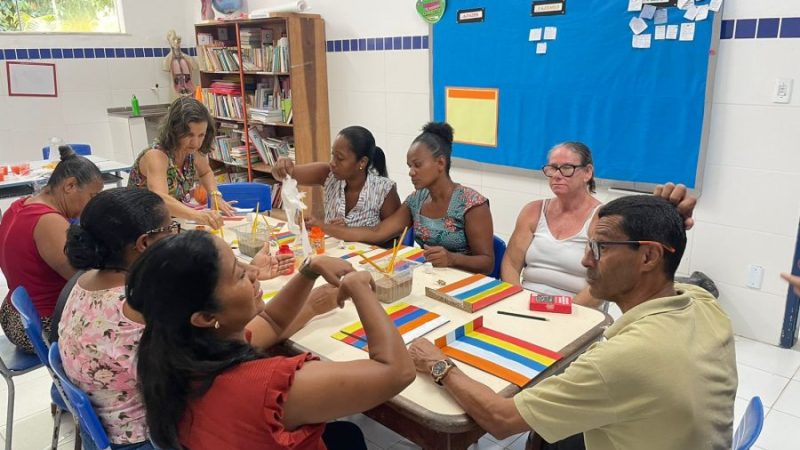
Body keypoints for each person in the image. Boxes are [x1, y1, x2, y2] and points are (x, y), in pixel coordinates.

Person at [409, 193, 737, 450]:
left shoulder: (621, 360)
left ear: (649, 257)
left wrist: (439, 364)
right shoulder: (702, 302)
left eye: (600, 247)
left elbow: (501, 418)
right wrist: (666, 220)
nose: (585, 260)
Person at [57, 188, 334, 449]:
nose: (178, 236)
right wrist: (310, 306)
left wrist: (238, 275)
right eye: (171, 229)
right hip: (152, 437)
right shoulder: (142, 309)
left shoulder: (85, 282)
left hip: (105, 426)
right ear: (145, 244)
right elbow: (248, 338)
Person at [129, 232, 416, 450]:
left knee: (346, 435)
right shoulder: (268, 387)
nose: (254, 273)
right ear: (204, 316)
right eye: (240, 274)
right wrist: (359, 287)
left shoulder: (178, 349)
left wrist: (310, 270)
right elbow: (396, 372)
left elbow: (272, 322)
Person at [313, 122, 495, 274]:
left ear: (440, 163)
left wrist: (452, 258)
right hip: (432, 278)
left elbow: (487, 263)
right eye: (409, 166)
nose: (411, 172)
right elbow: (377, 232)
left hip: (465, 283)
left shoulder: (471, 204)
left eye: (417, 165)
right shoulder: (416, 201)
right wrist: (323, 227)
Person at [0, 145, 103, 352]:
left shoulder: (20, 206)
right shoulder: (48, 222)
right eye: (92, 196)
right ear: (70, 186)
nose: (93, 204)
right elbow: (83, 281)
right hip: (39, 326)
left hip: (16, 314)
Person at [501, 142, 602, 306]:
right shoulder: (533, 211)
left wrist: (562, 310)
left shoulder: (601, 219)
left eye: (567, 168)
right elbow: (511, 264)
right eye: (553, 168)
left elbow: (603, 282)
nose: (557, 175)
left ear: (587, 172)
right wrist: (518, 301)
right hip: (526, 303)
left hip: (576, 309)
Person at [127, 96, 234, 229]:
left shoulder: (193, 151)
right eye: (189, 135)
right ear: (174, 131)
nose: (196, 143)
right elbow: (161, 199)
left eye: (201, 135)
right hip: (140, 225)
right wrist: (198, 216)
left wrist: (215, 195)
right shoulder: (156, 156)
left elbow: (205, 172)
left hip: (169, 220)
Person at [272, 126, 401, 234]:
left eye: (340, 158)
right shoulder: (328, 174)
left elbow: (391, 237)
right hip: (332, 254)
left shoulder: (384, 190)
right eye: (332, 155)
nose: (332, 163)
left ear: (362, 162)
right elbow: (284, 174)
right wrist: (281, 166)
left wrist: (345, 231)